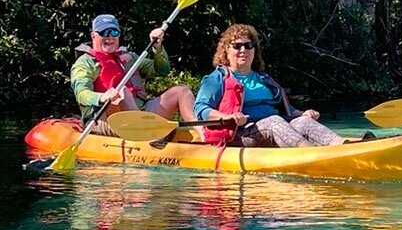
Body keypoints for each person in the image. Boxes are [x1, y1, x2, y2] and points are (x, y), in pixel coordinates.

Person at [193, 24, 343, 148]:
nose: (243, 50)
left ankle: (344, 146)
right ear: (226, 50)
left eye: (248, 45)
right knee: (273, 122)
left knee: (303, 122)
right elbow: (201, 109)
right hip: (240, 133)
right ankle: (314, 155)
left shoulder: (264, 78)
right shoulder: (217, 78)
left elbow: (286, 109)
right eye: (237, 46)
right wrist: (227, 116)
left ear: (254, 50)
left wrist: (303, 113)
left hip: (275, 128)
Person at [71, 13, 197, 131]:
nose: (110, 37)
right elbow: (82, 94)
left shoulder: (128, 58)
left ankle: (200, 131)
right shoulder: (85, 63)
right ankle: (143, 132)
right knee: (122, 92)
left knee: (182, 91)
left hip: (141, 111)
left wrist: (157, 48)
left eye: (114, 32)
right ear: (93, 36)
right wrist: (102, 97)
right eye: (104, 32)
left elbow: (161, 70)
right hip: (106, 118)